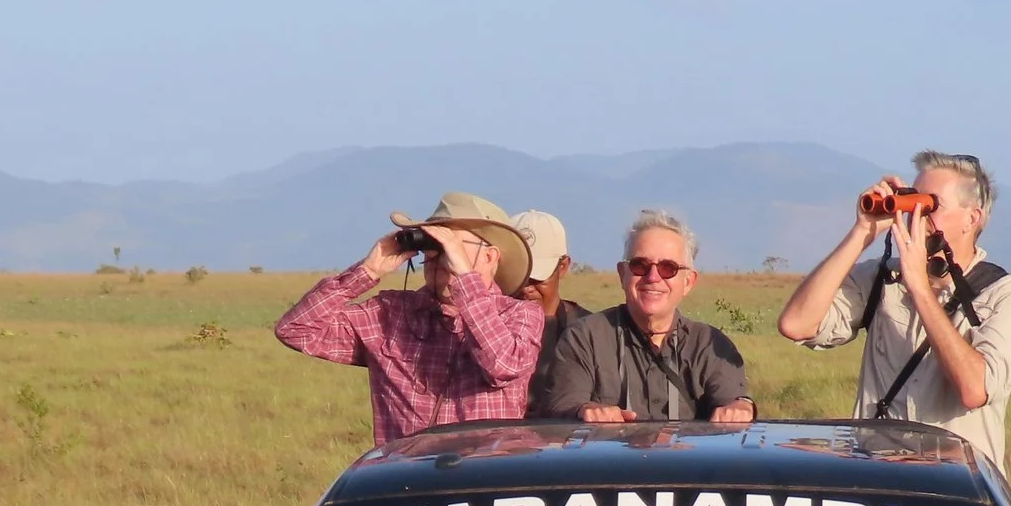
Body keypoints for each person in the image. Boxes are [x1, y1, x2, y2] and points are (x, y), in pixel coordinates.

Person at [775, 150, 1011, 475]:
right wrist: (862, 234)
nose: (917, 216)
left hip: (955, 486)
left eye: (930, 206)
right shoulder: (881, 279)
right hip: (877, 479)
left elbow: (975, 390)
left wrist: (920, 288)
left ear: (972, 218)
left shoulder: (1008, 294)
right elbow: (796, 324)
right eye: (912, 202)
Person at [274, 191, 543, 446]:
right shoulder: (390, 315)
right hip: (407, 480)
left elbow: (502, 366)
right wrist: (367, 272)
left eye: (453, 245)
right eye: (433, 246)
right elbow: (296, 330)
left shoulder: (519, 314)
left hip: (481, 480)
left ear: (490, 256)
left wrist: (465, 280)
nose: (440, 257)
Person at [530, 209, 756, 424]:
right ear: (622, 274)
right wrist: (583, 411)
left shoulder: (710, 345)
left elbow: (731, 404)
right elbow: (561, 405)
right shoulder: (585, 338)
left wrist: (741, 407)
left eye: (668, 268)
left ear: (688, 281)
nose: (653, 277)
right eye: (640, 265)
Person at [512, 209, 586, 392]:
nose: (526, 288)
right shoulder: (485, 329)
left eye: (537, 278)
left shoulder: (588, 335)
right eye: (517, 276)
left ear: (563, 267)